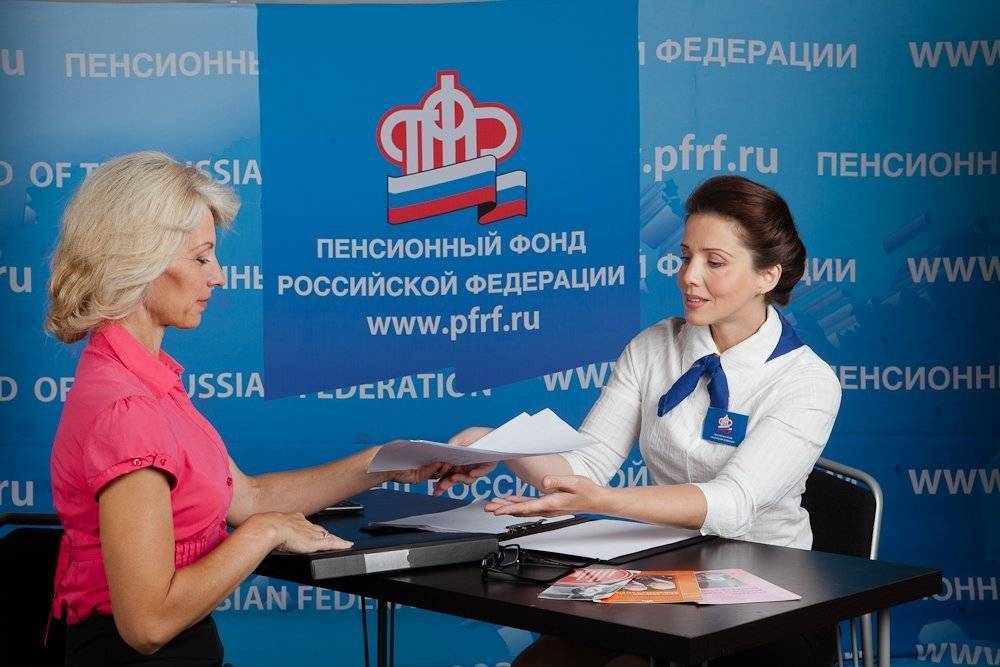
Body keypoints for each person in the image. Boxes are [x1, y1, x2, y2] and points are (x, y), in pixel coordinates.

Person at [46, 152, 444, 666]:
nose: (219, 276)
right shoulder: (128, 408)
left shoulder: (144, 381)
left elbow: (249, 497)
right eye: (201, 258)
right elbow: (147, 624)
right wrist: (264, 533)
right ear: (139, 262)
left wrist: (388, 462)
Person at [436, 175, 842, 666]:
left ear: (767, 276)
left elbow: (733, 502)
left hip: (772, 598)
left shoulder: (807, 382)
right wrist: (498, 443)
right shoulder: (653, 347)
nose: (688, 277)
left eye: (714, 262)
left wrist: (604, 501)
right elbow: (586, 466)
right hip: (667, 577)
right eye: (685, 257)